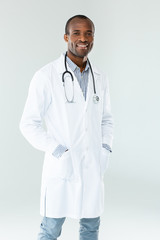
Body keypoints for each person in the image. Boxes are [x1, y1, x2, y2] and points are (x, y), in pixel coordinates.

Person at [20, 14, 114, 240]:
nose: (83, 38)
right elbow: (28, 123)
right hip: (62, 168)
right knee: (51, 229)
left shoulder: (99, 77)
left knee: (91, 227)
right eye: (77, 33)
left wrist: (105, 148)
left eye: (88, 33)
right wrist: (56, 149)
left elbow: (107, 119)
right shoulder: (46, 76)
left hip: (92, 165)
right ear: (66, 37)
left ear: (93, 38)